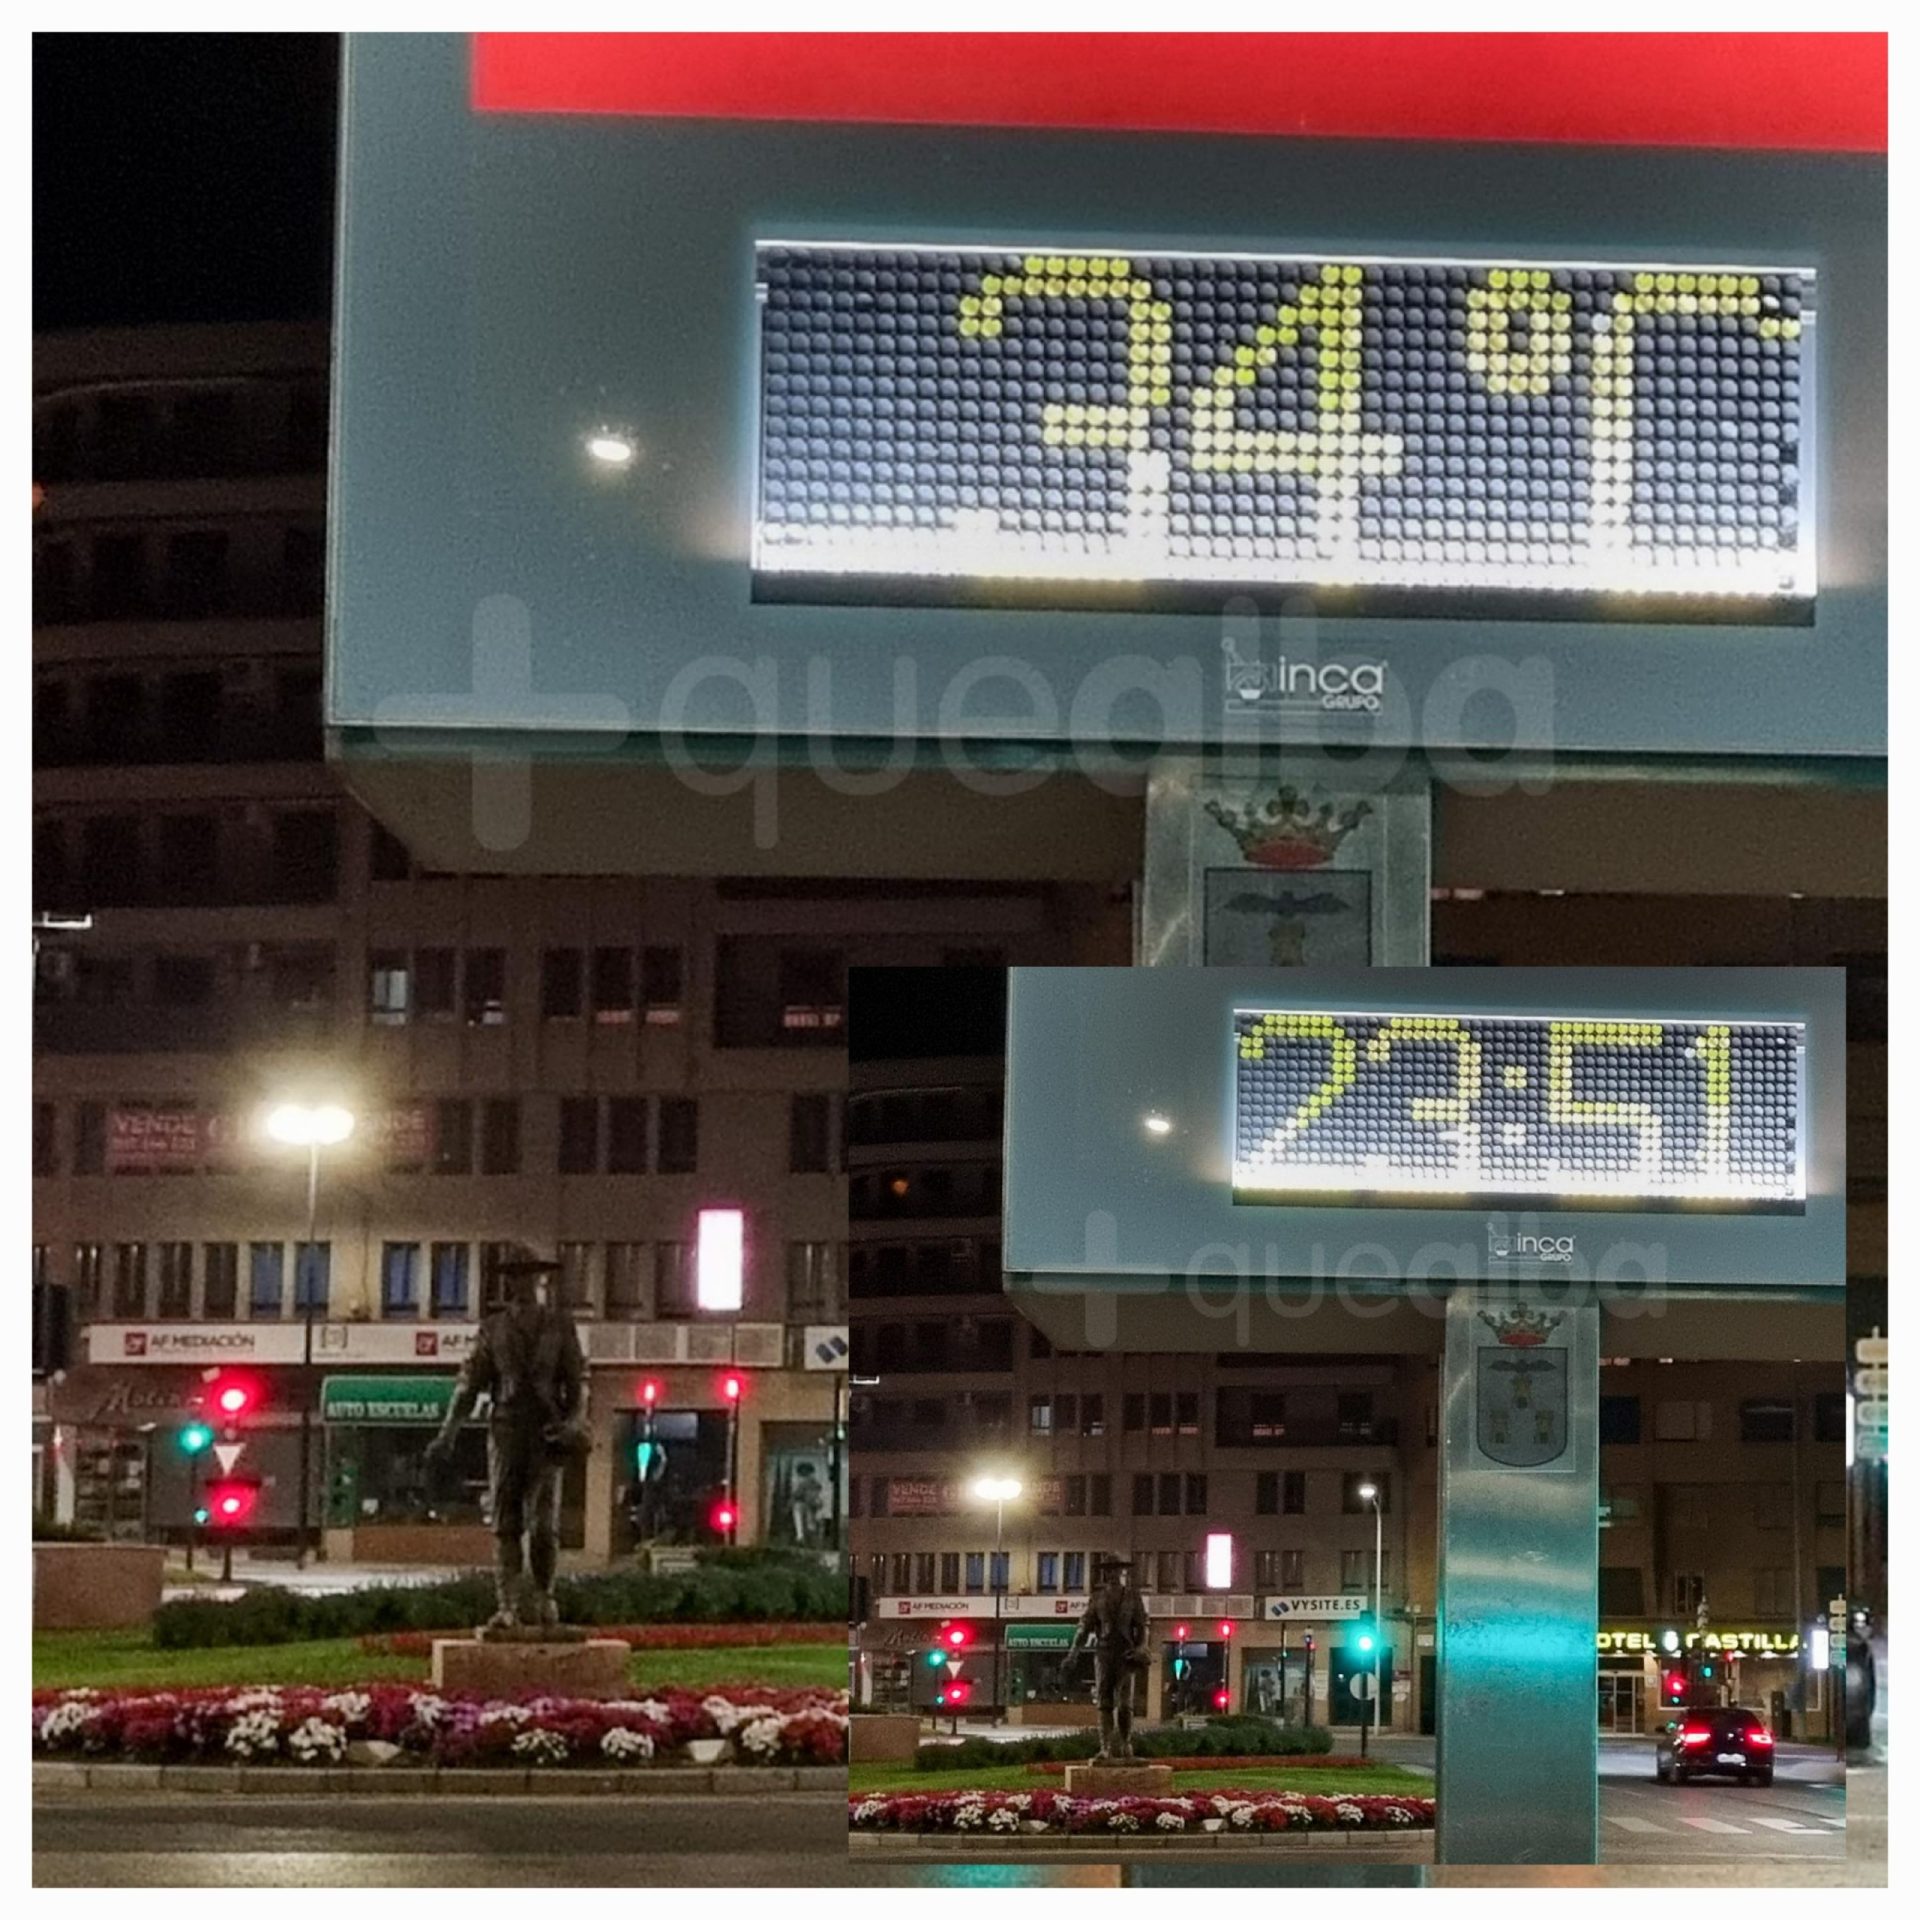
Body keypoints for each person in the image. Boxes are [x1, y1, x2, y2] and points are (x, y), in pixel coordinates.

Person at [424, 1249, 589, 1628]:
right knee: (506, 1522)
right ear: (508, 1282)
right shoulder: (493, 1328)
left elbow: (577, 1383)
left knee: (544, 1525)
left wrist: (573, 1422)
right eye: (515, 1276)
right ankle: (508, 1606)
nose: (522, 1283)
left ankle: (545, 1597)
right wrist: (447, 1433)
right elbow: (469, 1385)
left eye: (529, 1275)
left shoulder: (560, 1325)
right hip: (507, 1432)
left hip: (547, 1435)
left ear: (539, 1280)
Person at [1062, 1554, 1151, 1760]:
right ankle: (1106, 1747)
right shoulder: (1097, 1598)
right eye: (1108, 1570)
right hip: (1104, 1654)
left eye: (1115, 1569)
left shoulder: (1132, 1596)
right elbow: (1084, 1628)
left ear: (1121, 1572)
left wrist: (1140, 1647)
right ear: (1104, 1573)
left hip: (1126, 1655)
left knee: (1125, 1703)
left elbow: (1141, 1626)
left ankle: (1126, 1744)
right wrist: (1073, 1654)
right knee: (1104, 1702)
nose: (1112, 1573)